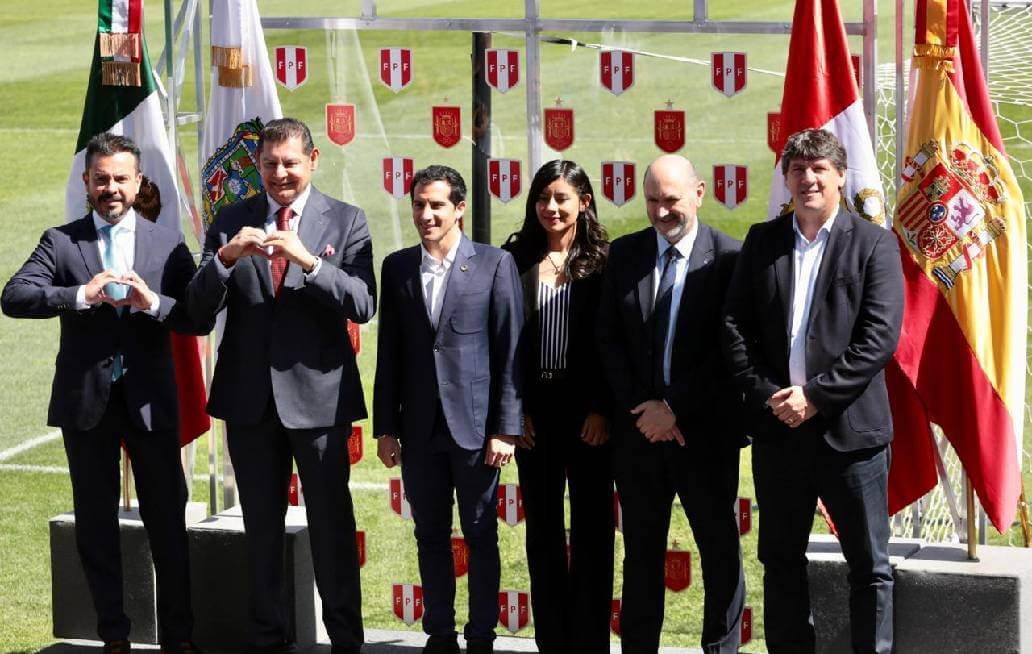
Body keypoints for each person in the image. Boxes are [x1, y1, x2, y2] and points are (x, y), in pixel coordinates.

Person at [1, 133, 206, 654]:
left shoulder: (167, 243)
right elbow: (15, 295)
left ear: (138, 183)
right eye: (101, 179)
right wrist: (78, 295)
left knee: (167, 521)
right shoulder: (62, 241)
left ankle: (178, 638)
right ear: (86, 182)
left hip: (151, 404)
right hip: (86, 404)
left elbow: (197, 315)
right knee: (95, 524)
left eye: (121, 179)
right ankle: (113, 636)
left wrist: (152, 303)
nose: (111, 188)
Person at [186, 117, 374, 654]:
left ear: (313, 160)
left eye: (290, 162)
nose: (279, 174)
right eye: (269, 164)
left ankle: (345, 641)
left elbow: (363, 303)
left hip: (318, 403)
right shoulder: (230, 221)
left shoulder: (345, 220)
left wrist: (310, 263)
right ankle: (269, 639)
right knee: (261, 531)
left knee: (332, 528)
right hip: (248, 403)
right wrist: (223, 259)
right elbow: (198, 314)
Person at [721, 128, 903, 654]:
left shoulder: (874, 244)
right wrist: (768, 395)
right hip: (779, 433)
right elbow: (735, 327)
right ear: (786, 180)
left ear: (841, 176)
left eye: (819, 168)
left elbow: (879, 340)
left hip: (852, 437)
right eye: (798, 170)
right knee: (779, 561)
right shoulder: (762, 242)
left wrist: (816, 397)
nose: (808, 179)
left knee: (869, 567)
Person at [597, 154, 746, 654]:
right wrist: (644, 408)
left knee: (719, 551)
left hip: (703, 436)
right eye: (653, 200)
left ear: (699, 193)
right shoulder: (625, 255)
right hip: (640, 437)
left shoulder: (729, 258)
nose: (662, 211)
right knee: (641, 554)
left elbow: (730, 352)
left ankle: (720, 648)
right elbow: (609, 342)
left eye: (673, 200)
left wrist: (674, 409)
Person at [373, 165, 522, 654]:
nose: (426, 214)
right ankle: (440, 634)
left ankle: (481, 637)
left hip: (476, 431)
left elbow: (509, 351)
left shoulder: (494, 264)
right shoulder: (396, 267)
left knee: (480, 535)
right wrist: (386, 427)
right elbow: (389, 353)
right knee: (429, 534)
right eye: (419, 204)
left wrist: (506, 428)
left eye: (437, 205)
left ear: (460, 208)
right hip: (418, 430)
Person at [500, 160, 613, 653]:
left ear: (584, 202)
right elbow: (500, 343)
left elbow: (614, 344)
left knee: (592, 530)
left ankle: (589, 642)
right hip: (533, 414)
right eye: (543, 198)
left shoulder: (607, 261)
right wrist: (514, 411)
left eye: (562, 198)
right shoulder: (514, 258)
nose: (551, 207)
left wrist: (601, 409)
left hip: (588, 414)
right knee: (542, 533)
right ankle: (553, 640)